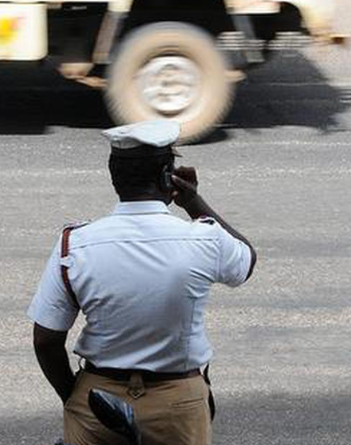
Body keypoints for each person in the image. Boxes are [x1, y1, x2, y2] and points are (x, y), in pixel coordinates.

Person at [28, 119, 257, 445]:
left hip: (98, 399)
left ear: (113, 176)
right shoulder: (203, 239)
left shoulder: (75, 244)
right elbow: (246, 261)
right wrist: (192, 201)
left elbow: (45, 340)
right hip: (178, 405)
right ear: (168, 175)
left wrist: (75, 399)